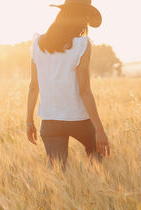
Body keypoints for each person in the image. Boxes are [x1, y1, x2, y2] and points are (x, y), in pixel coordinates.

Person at [26, 0, 110, 169]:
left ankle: (58, 195)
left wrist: (29, 121)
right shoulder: (82, 45)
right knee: (98, 161)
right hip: (78, 118)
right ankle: (92, 191)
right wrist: (99, 130)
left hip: (50, 121)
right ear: (80, 18)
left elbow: (33, 86)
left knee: (57, 173)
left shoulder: (37, 44)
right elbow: (84, 90)